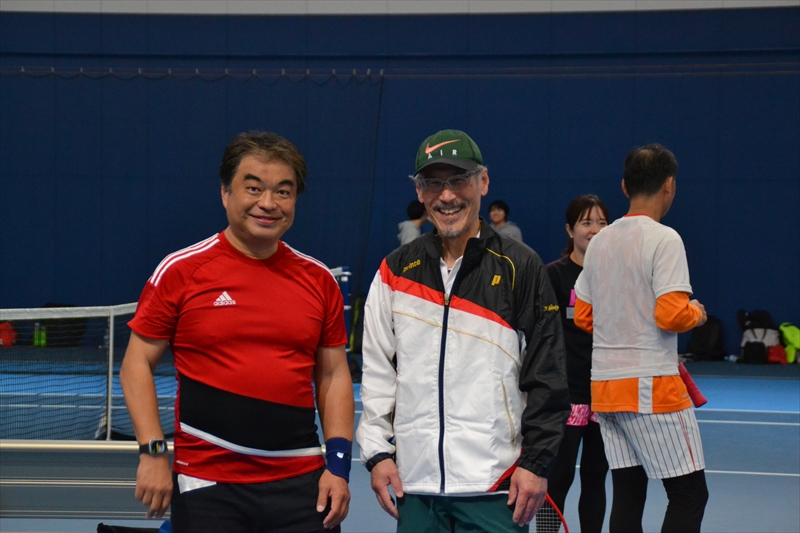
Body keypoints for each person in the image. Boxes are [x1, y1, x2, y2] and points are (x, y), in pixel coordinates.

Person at [120, 131, 354, 533]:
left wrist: (338, 467)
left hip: (302, 482)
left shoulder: (319, 280)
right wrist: (153, 452)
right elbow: (136, 364)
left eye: (283, 191)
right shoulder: (180, 271)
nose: (269, 203)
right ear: (225, 193)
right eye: (254, 188)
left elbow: (333, 375)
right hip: (207, 481)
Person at [356, 129, 569, 532]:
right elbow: (378, 371)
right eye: (432, 183)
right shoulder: (394, 271)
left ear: (483, 182)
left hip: (496, 485)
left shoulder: (520, 266)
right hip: (415, 486)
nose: (447, 196)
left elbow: (548, 373)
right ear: (419, 192)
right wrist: (378, 453)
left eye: (459, 180)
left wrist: (536, 462)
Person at [573, 144, 709, 533]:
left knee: (628, 492)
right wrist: (697, 313)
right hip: (652, 387)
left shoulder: (600, 242)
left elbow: (583, 315)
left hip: (604, 389)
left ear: (624, 186)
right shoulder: (665, 239)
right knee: (689, 495)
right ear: (669, 185)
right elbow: (671, 314)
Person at [544, 195, 610, 533]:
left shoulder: (616, 275)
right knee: (558, 478)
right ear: (570, 230)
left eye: (602, 223)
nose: (595, 230)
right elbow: (543, 336)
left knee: (596, 477)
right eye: (587, 223)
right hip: (567, 396)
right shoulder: (554, 276)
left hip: (606, 394)